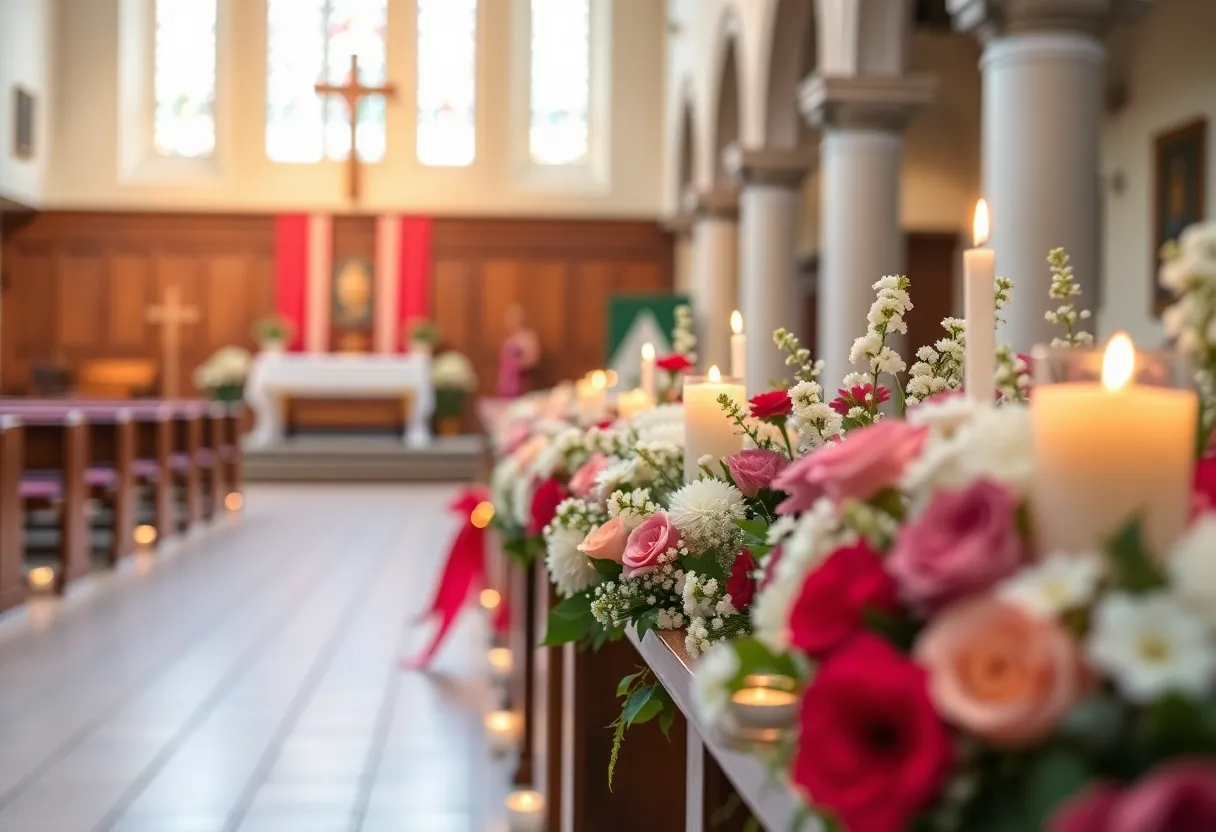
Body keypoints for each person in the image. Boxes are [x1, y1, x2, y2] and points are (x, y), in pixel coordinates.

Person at [497, 304, 540, 397]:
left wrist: (516, 364)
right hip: (506, 382)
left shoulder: (528, 337)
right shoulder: (509, 338)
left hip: (520, 383)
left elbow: (532, 360)